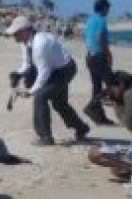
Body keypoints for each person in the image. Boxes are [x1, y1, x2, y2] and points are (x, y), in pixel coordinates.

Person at [6, 15, 90, 146]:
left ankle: (45, 137)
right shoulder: (25, 42)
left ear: (25, 31)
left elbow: (43, 72)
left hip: (65, 69)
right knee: (59, 103)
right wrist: (18, 73)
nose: (14, 36)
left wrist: (31, 91)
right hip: (53, 69)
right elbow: (27, 63)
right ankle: (81, 128)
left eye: (16, 33)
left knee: (40, 97)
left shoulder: (40, 43)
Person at [83, 0, 116, 125]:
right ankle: (91, 106)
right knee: (112, 84)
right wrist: (108, 54)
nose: (109, 10)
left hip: (90, 56)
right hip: (98, 56)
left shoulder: (90, 20)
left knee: (97, 86)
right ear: (103, 8)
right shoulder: (101, 20)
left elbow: (89, 38)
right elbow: (99, 37)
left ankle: (99, 117)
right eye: (108, 7)